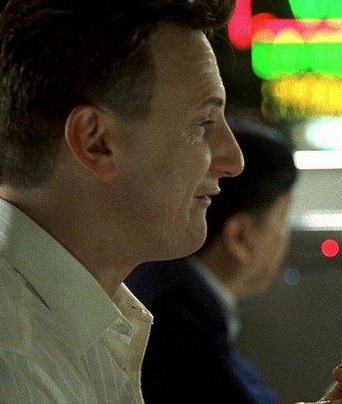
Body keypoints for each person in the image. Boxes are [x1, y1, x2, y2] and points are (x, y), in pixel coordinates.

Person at [0, 0, 342, 403]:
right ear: (96, 141)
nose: (233, 160)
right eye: (202, 124)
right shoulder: (2, 363)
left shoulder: (74, 320)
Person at [126, 119, 297, 403]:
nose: (284, 237)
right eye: (282, 218)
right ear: (239, 237)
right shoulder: (182, 331)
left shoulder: (167, 290)